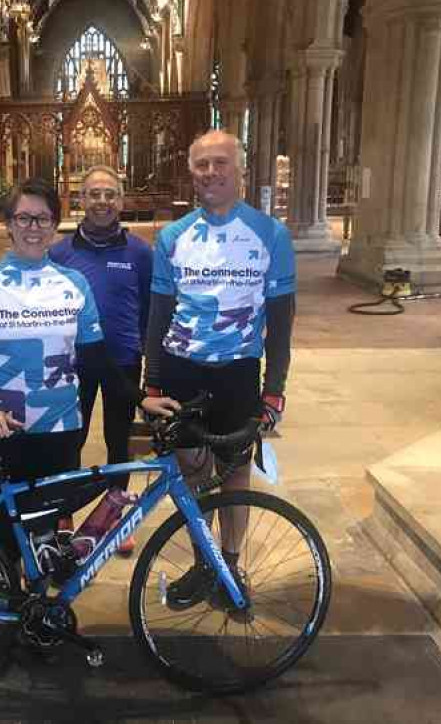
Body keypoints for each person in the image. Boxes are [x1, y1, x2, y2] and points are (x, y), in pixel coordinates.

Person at [0, 177, 176, 569]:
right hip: (5, 426)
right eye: (24, 218)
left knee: (44, 535)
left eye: (42, 219)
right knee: (3, 538)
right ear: (8, 223)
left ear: (55, 225)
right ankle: (7, 621)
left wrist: (140, 396)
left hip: (61, 430)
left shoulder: (74, 284)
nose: (32, 228)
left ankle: (37, 617)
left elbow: (96, 358)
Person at [144, 129, 296, 609]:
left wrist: (274, 389)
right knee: (190, 472)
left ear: (240, 171)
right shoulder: (172, 236)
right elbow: (159, 313)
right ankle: (202, 562)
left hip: (236, 370)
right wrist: (151, 380)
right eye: (201, 164)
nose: (210, 173)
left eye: (220, 163)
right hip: (181, 368)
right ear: (191, 172)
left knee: (233, 472)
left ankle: (229, 564)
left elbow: (282, 321)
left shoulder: (270, 234)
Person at [49, 165, 152, 554]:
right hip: (73, 362)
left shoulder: (140, 253)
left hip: (123, 360)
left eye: (110, 194)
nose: (103, 202)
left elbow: (149, 308)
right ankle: (63, 516)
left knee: (118, 441)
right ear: (81, 200)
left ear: (121, 200)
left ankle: (113, 518)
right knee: (68, 441)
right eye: (94, 194)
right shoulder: (60, 253)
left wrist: (142, 348)